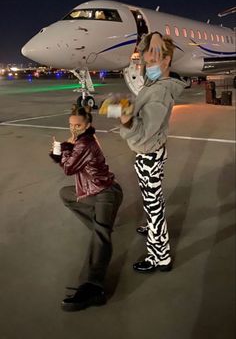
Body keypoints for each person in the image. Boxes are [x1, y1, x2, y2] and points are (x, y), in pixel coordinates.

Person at [119, 32, 186, 273]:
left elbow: (144, 132)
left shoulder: (159, 92)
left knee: (153, 204)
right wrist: (155, 37)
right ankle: (152, 226)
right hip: (154, 153)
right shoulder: (157, 84)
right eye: (146, 62)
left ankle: (160, 257)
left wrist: (126, 120)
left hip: (149, 155)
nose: (148, 67)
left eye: (153, 61)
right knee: (153, 201)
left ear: (167, 61)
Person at [49, 106, 123, 311]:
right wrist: (64, 148)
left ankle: (93, 288)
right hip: (91, 191)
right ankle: (101, 227)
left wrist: (62, 149)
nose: (73, 129)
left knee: (100, 235)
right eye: (71, 125)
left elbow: (68, 168)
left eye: (78, 125)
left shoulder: (86, 143)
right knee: (66, 194)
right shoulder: (80, 141)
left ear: (88, 125)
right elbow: (70, 159)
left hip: (105, 193)